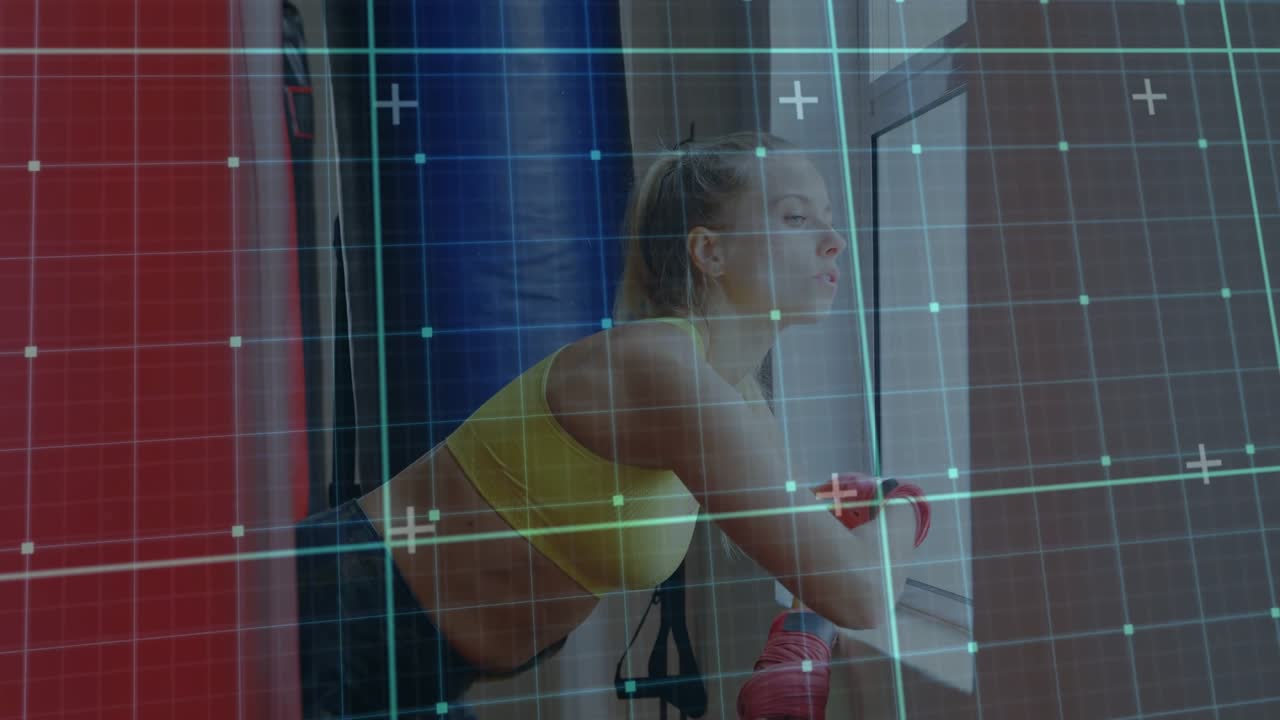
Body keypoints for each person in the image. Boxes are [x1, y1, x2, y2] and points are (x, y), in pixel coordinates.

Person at [294, 129, 921, 718]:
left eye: (828, 218)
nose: (833, 239)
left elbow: (815, 561)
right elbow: (858, 592)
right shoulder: (659, 366)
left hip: (419, 670)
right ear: (710, 251)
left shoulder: (738, 403)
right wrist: (908, 507)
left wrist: (800, 640)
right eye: (796, 217)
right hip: (331, 622)